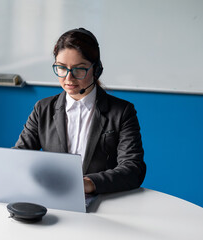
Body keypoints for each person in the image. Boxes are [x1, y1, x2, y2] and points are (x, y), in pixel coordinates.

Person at [14, 28, 146, 194]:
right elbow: (19, 157)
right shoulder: (43, 109)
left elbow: (133, 169)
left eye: (79, 69)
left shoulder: (122, 112)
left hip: (101, 201)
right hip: (53, 196)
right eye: (61, 68)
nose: (69, 78)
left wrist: (88, 184)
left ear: (96, 70)